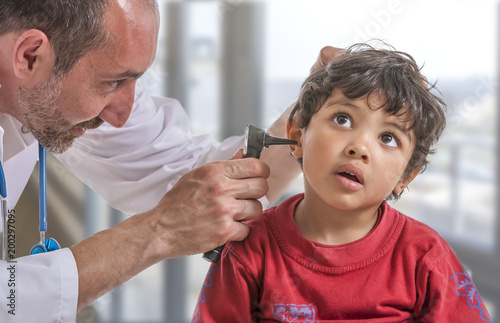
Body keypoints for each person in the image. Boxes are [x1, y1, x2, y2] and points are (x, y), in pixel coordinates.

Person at [0, 0, 340, 321]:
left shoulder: (59, 80)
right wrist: (157, 232)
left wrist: (310, 115)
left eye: (134, 79)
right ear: (29, 55)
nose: (122, 114)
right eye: (113, 82)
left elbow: (192, 180)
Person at [192, 44, 492, 322]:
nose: (359, 147)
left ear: (405, 177)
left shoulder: (426, 256)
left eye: (388, 138)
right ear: (297, 137)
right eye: (342, 119)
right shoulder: (249, 250)